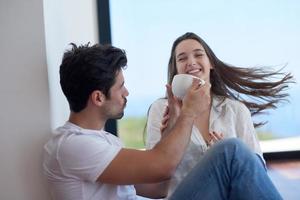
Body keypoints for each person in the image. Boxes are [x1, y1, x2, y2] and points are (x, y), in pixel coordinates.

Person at [43, 43, 282, 200]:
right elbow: (161, 166)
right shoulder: (72, 145)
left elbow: (157, 187)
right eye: (121, 87)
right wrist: (188, 114)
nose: (126, 93)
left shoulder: (104, 141)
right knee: (230, 152)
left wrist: (173, 125)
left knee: (229, 153)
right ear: (98, 97)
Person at [146, 32, 293, 198]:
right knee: (230, 149)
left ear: (211, 64)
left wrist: (227, 160)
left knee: (231, 150)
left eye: (198, 54)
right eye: (182, 58)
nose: (191, 62)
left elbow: (256, 172)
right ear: (176, 70)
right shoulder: (161, 110)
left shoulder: (236, 110)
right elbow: (155, 184)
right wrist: (170, 139)